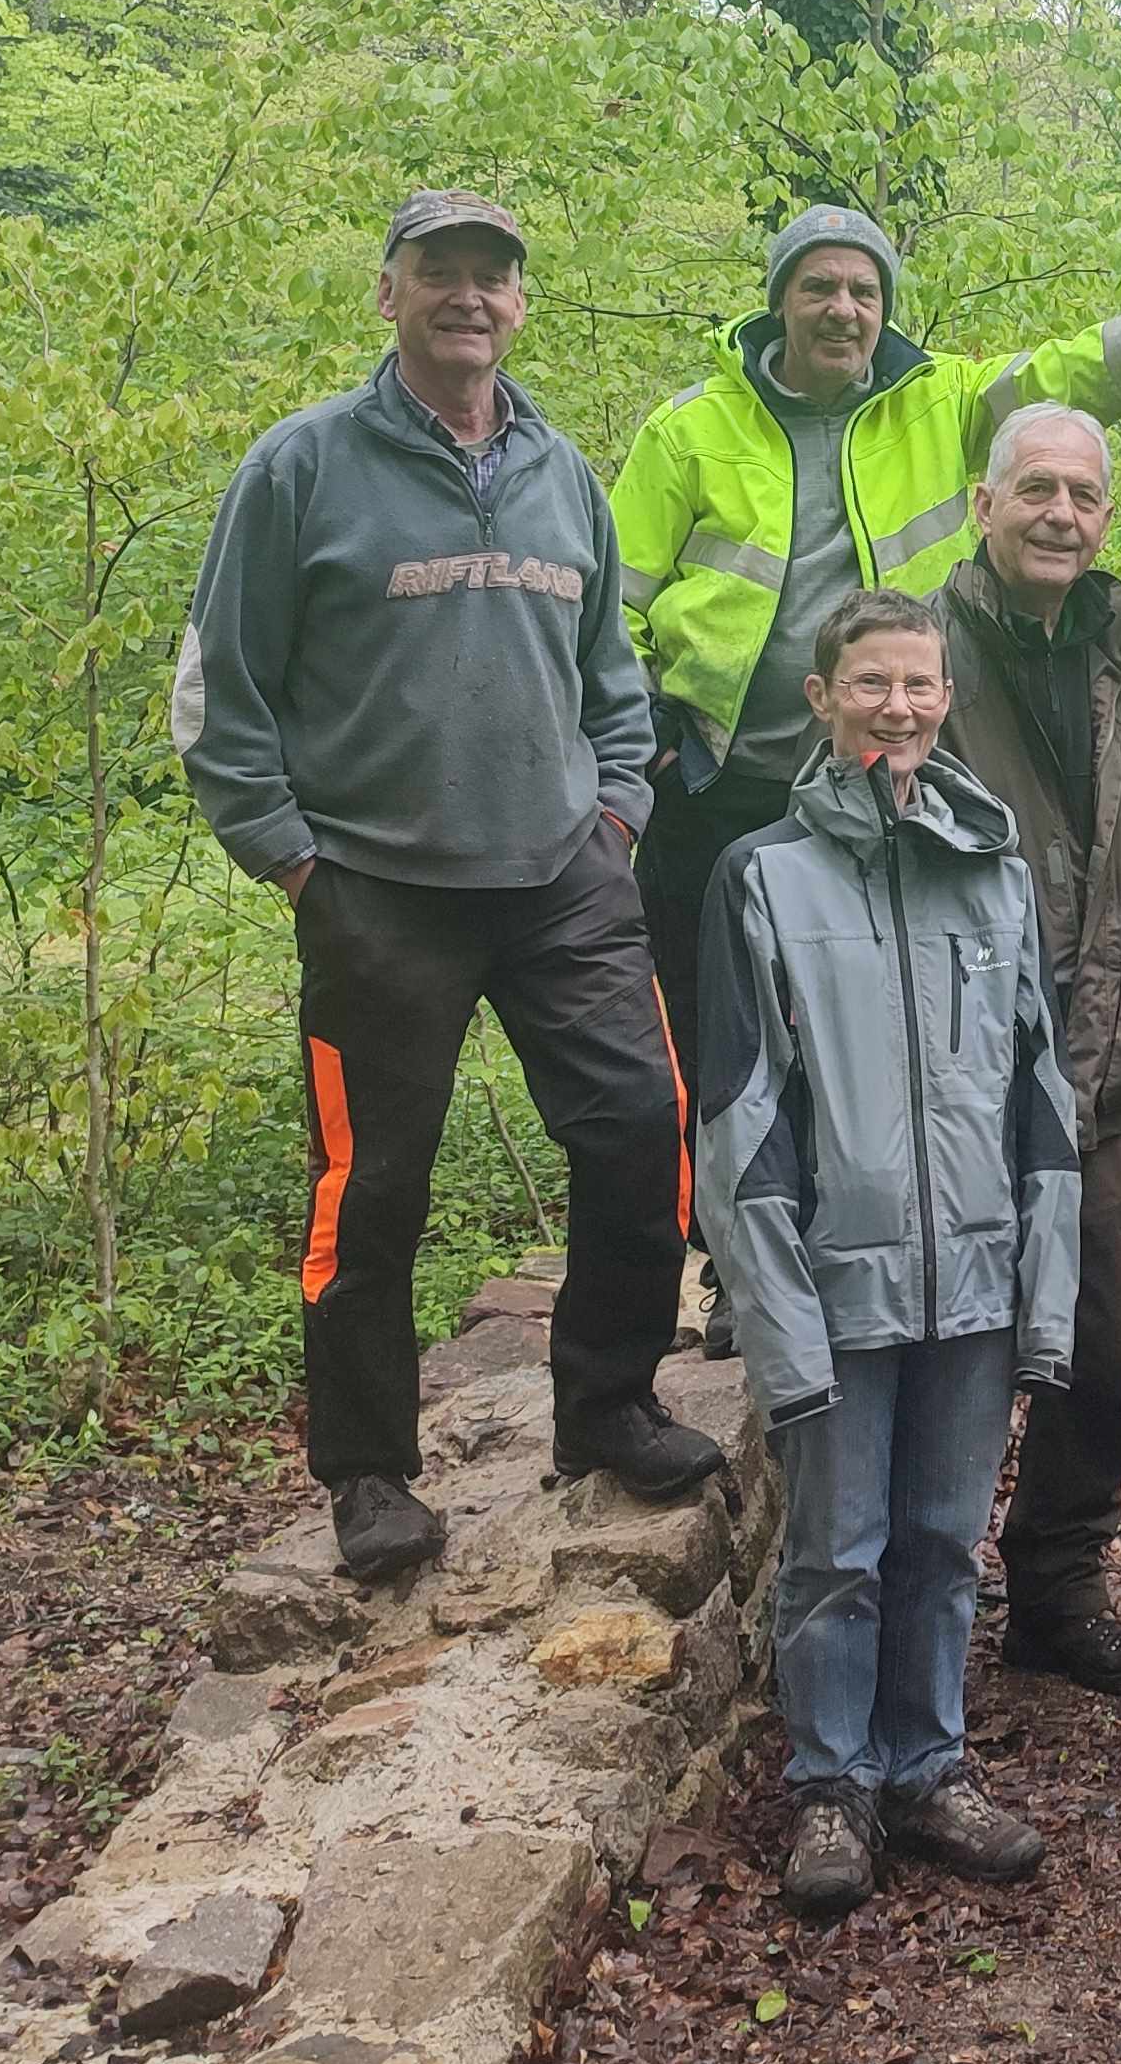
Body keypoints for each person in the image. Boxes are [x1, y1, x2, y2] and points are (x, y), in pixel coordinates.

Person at [175, 191, 726, 1587]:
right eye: (440, 274)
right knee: (371, 1192)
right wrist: (295, 861)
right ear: (390, 294)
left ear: (520, 304)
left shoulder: (564, 473)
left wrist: (617, 812)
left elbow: (617, 676)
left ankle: (606, 1405)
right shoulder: (303, 467)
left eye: (492, 278)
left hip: (562, 878)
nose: (467, 298)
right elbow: (219, 691)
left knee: (641, 1126)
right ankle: (368, 1474)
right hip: (377, 888)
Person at [612, 195, 1121, 1057]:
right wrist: (656, 745)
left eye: (865, 290)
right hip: (720, 794)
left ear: (885, 308)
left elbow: (1086, 371)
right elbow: (611, 606)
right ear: (779, 300)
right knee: (707, 1043)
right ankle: (712, 1198)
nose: (843, 309)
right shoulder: (690, 431)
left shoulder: (941, 402)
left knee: (859, 1050)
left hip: (887, 791)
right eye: (819, 287)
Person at [689, 590, 1082, 1916]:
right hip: (838, 1281)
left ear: (945, 698)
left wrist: (1046, 1284)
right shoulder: (762, 878)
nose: (900, 708)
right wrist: (778, 1324)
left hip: (970, 1276)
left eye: (920, 685)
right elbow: (738, 1122)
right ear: (821, 698)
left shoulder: (996, 869)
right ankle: (831, 1788)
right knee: (837, 1551)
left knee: (938, 1538)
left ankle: (929, 1767)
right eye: (872, 685)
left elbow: (1040, 1093)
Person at [931, 404, 1121, 1697]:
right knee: (939, 1347)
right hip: (942, 1076)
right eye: (1034, 488)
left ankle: (1056, 1591)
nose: (1060, 513)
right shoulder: (918, 653)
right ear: (983, 502)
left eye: (1082, 495)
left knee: (1095, 1346)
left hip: (1100, 1072)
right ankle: (914, 1604)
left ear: (1106, 517)